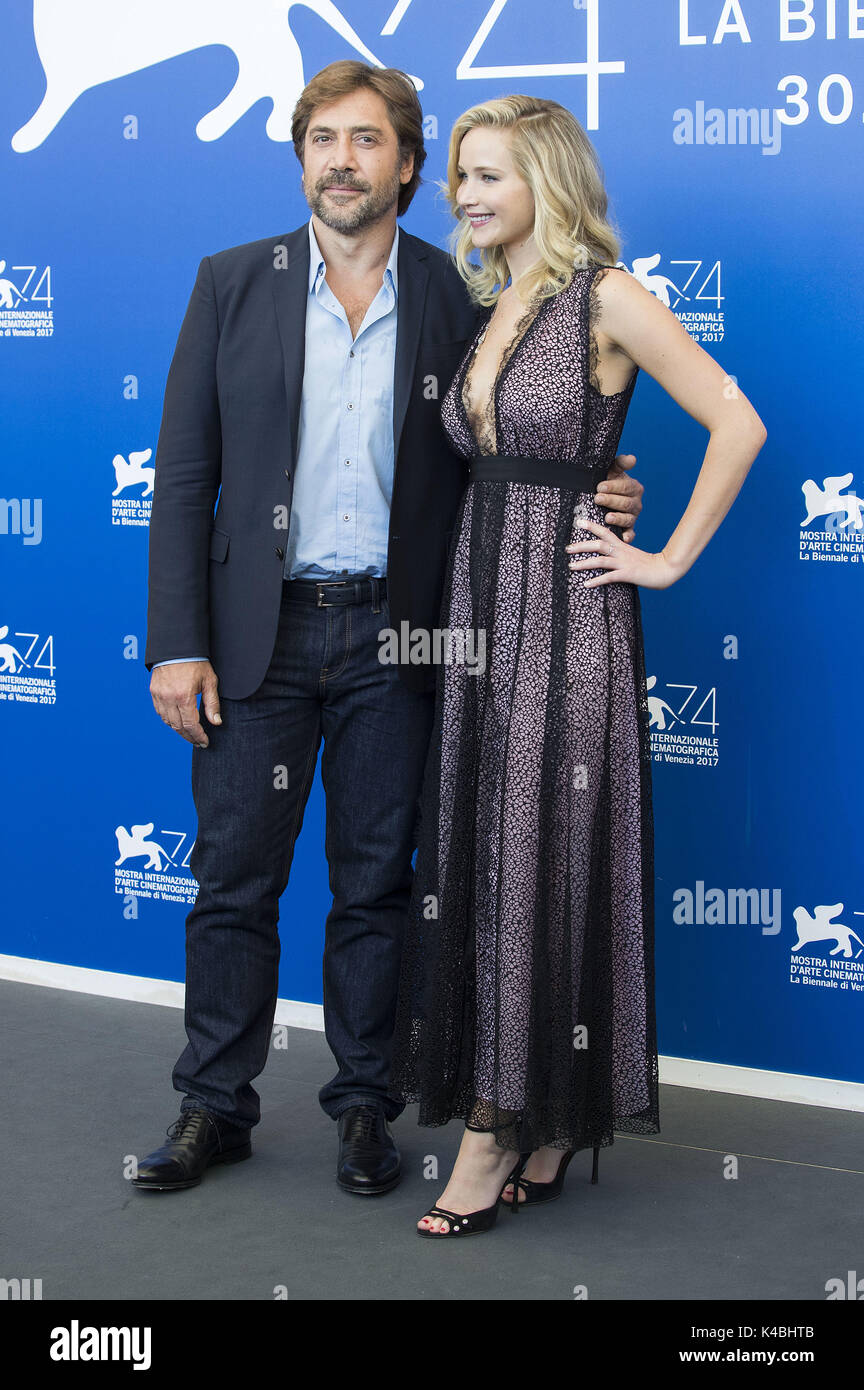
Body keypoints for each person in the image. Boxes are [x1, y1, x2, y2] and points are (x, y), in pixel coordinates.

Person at [135, 63, 645, 1197]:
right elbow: (182, 477)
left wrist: (604, 487)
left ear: (408, 165)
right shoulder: (231, 283)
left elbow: (526, 440)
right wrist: (177, 640)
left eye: (367, 141)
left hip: (407, 640)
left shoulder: (461, 295)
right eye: (322, 139)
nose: (340, 160)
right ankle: (212, 1105)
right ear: (302, 156)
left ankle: (365, 1106)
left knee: (378, 885)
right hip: (256, 637)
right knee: (232, 882)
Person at [387, 94, 767, 1238]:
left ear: (548, 181)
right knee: (493, 859)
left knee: (540, 862)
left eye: (491, 175)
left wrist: (660, 559)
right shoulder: (493, 300)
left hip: (570, 624)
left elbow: (735, 420)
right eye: (461, 176)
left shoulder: (610, 295)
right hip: (477, 620)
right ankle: (554, 1116)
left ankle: (497, 1126)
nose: (466, 195)